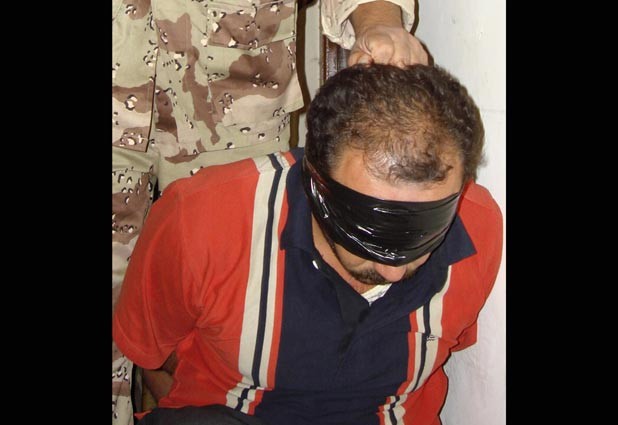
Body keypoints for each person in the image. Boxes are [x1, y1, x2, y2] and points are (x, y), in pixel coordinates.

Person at [113, 63, 503, 425]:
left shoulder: (478, 227)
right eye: (365, 232)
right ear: (314, 181)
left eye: (423, 235)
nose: (394, 270)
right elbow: (152, 359)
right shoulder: (201, 220)